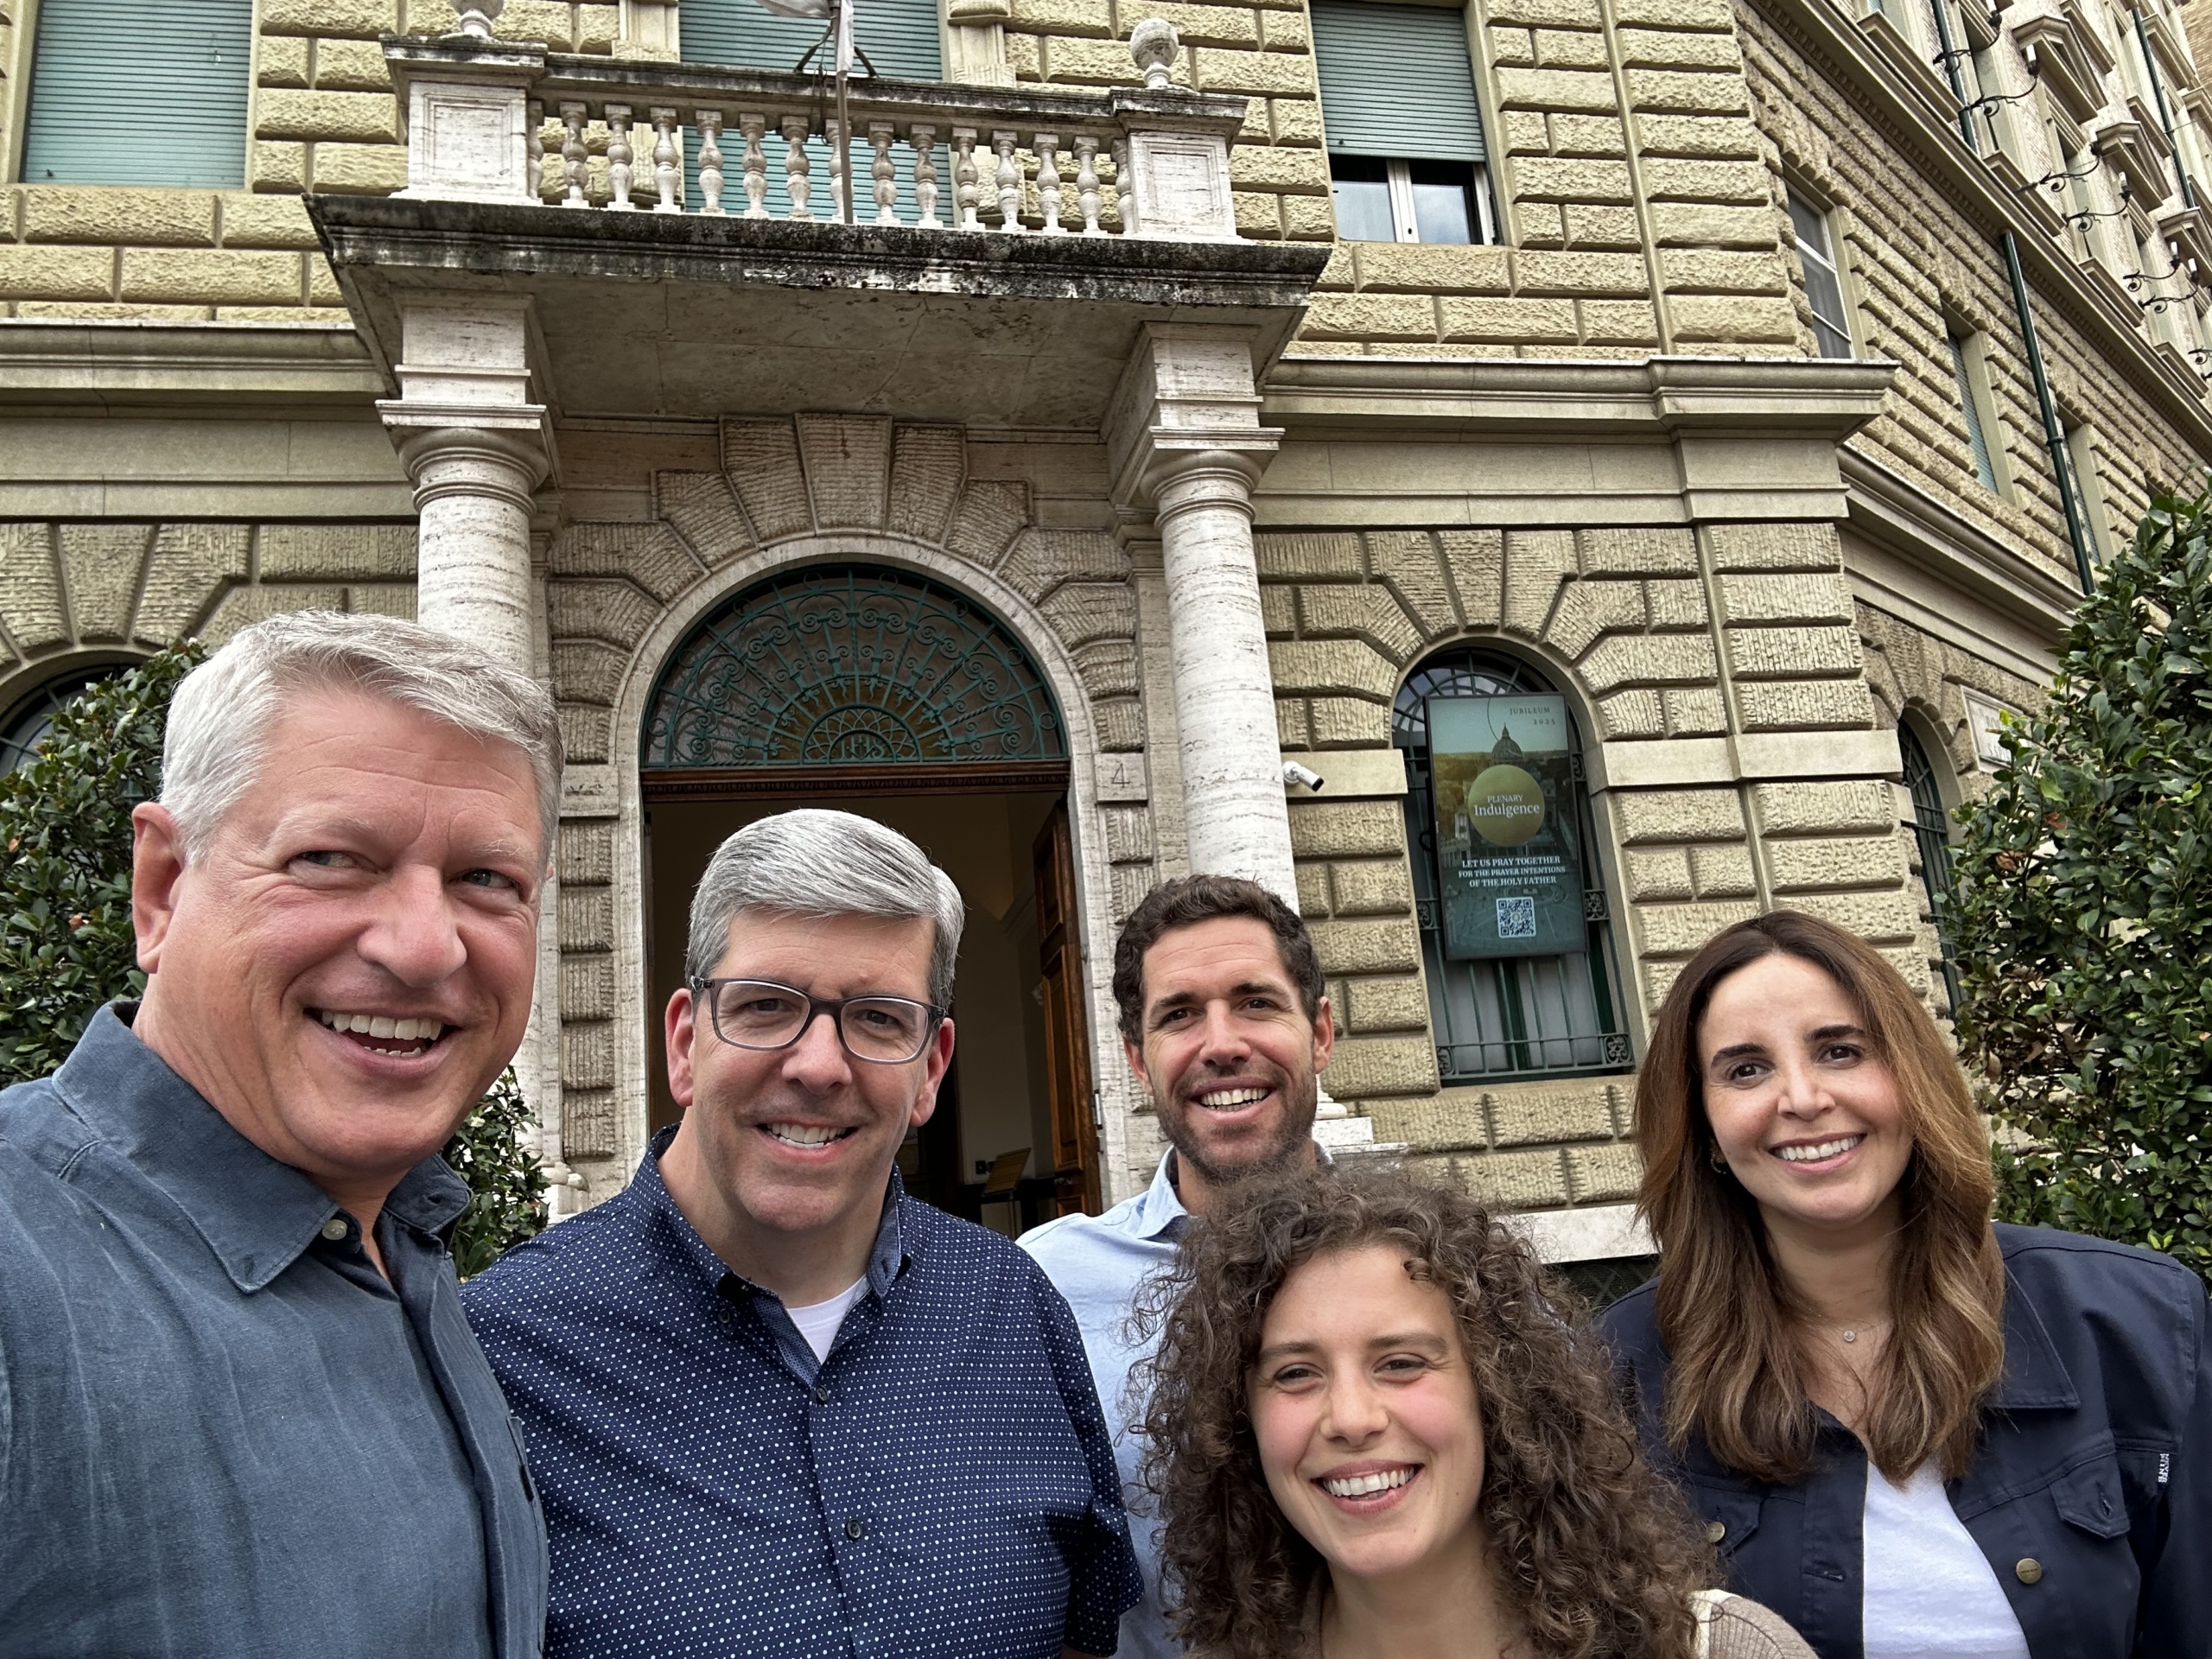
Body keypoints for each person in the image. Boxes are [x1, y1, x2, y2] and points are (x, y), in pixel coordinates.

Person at [0, 611, 559, 1656]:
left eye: (488, 880)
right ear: (162, 887)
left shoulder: (406, 1243)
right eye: (332, 858)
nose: (425, 947)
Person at [462, 809, 1141, 1659]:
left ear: (931, 1068)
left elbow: (1084, 1630)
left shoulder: (1013, 1306)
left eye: (879, 1018)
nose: (818, 1065)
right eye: (765, 1005)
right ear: (684, 1043)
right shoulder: (502, 1351)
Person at [1602, 910, 2212, 1659]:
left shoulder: (2134, 1322)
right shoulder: (1621, 1374)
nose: (1801, 1098)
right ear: (1705, 1129)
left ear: (1911, 1076)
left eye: (1840, 1050)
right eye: (1745, 1069)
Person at [1139, 1162, 1815, 1659]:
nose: (1350, 1417)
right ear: (1238, 1423)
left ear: (1498, 1392)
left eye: (1401, 1363)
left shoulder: (1717, 1649)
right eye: (1294, 1373)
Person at [1021, 873, 1336, 1658]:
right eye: (1180, 1015)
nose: (1222, 1044)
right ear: (1137, 1057)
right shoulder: (1042, 1288)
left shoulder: (1438, 1269)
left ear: (1322, 1032)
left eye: (1257, 1002)